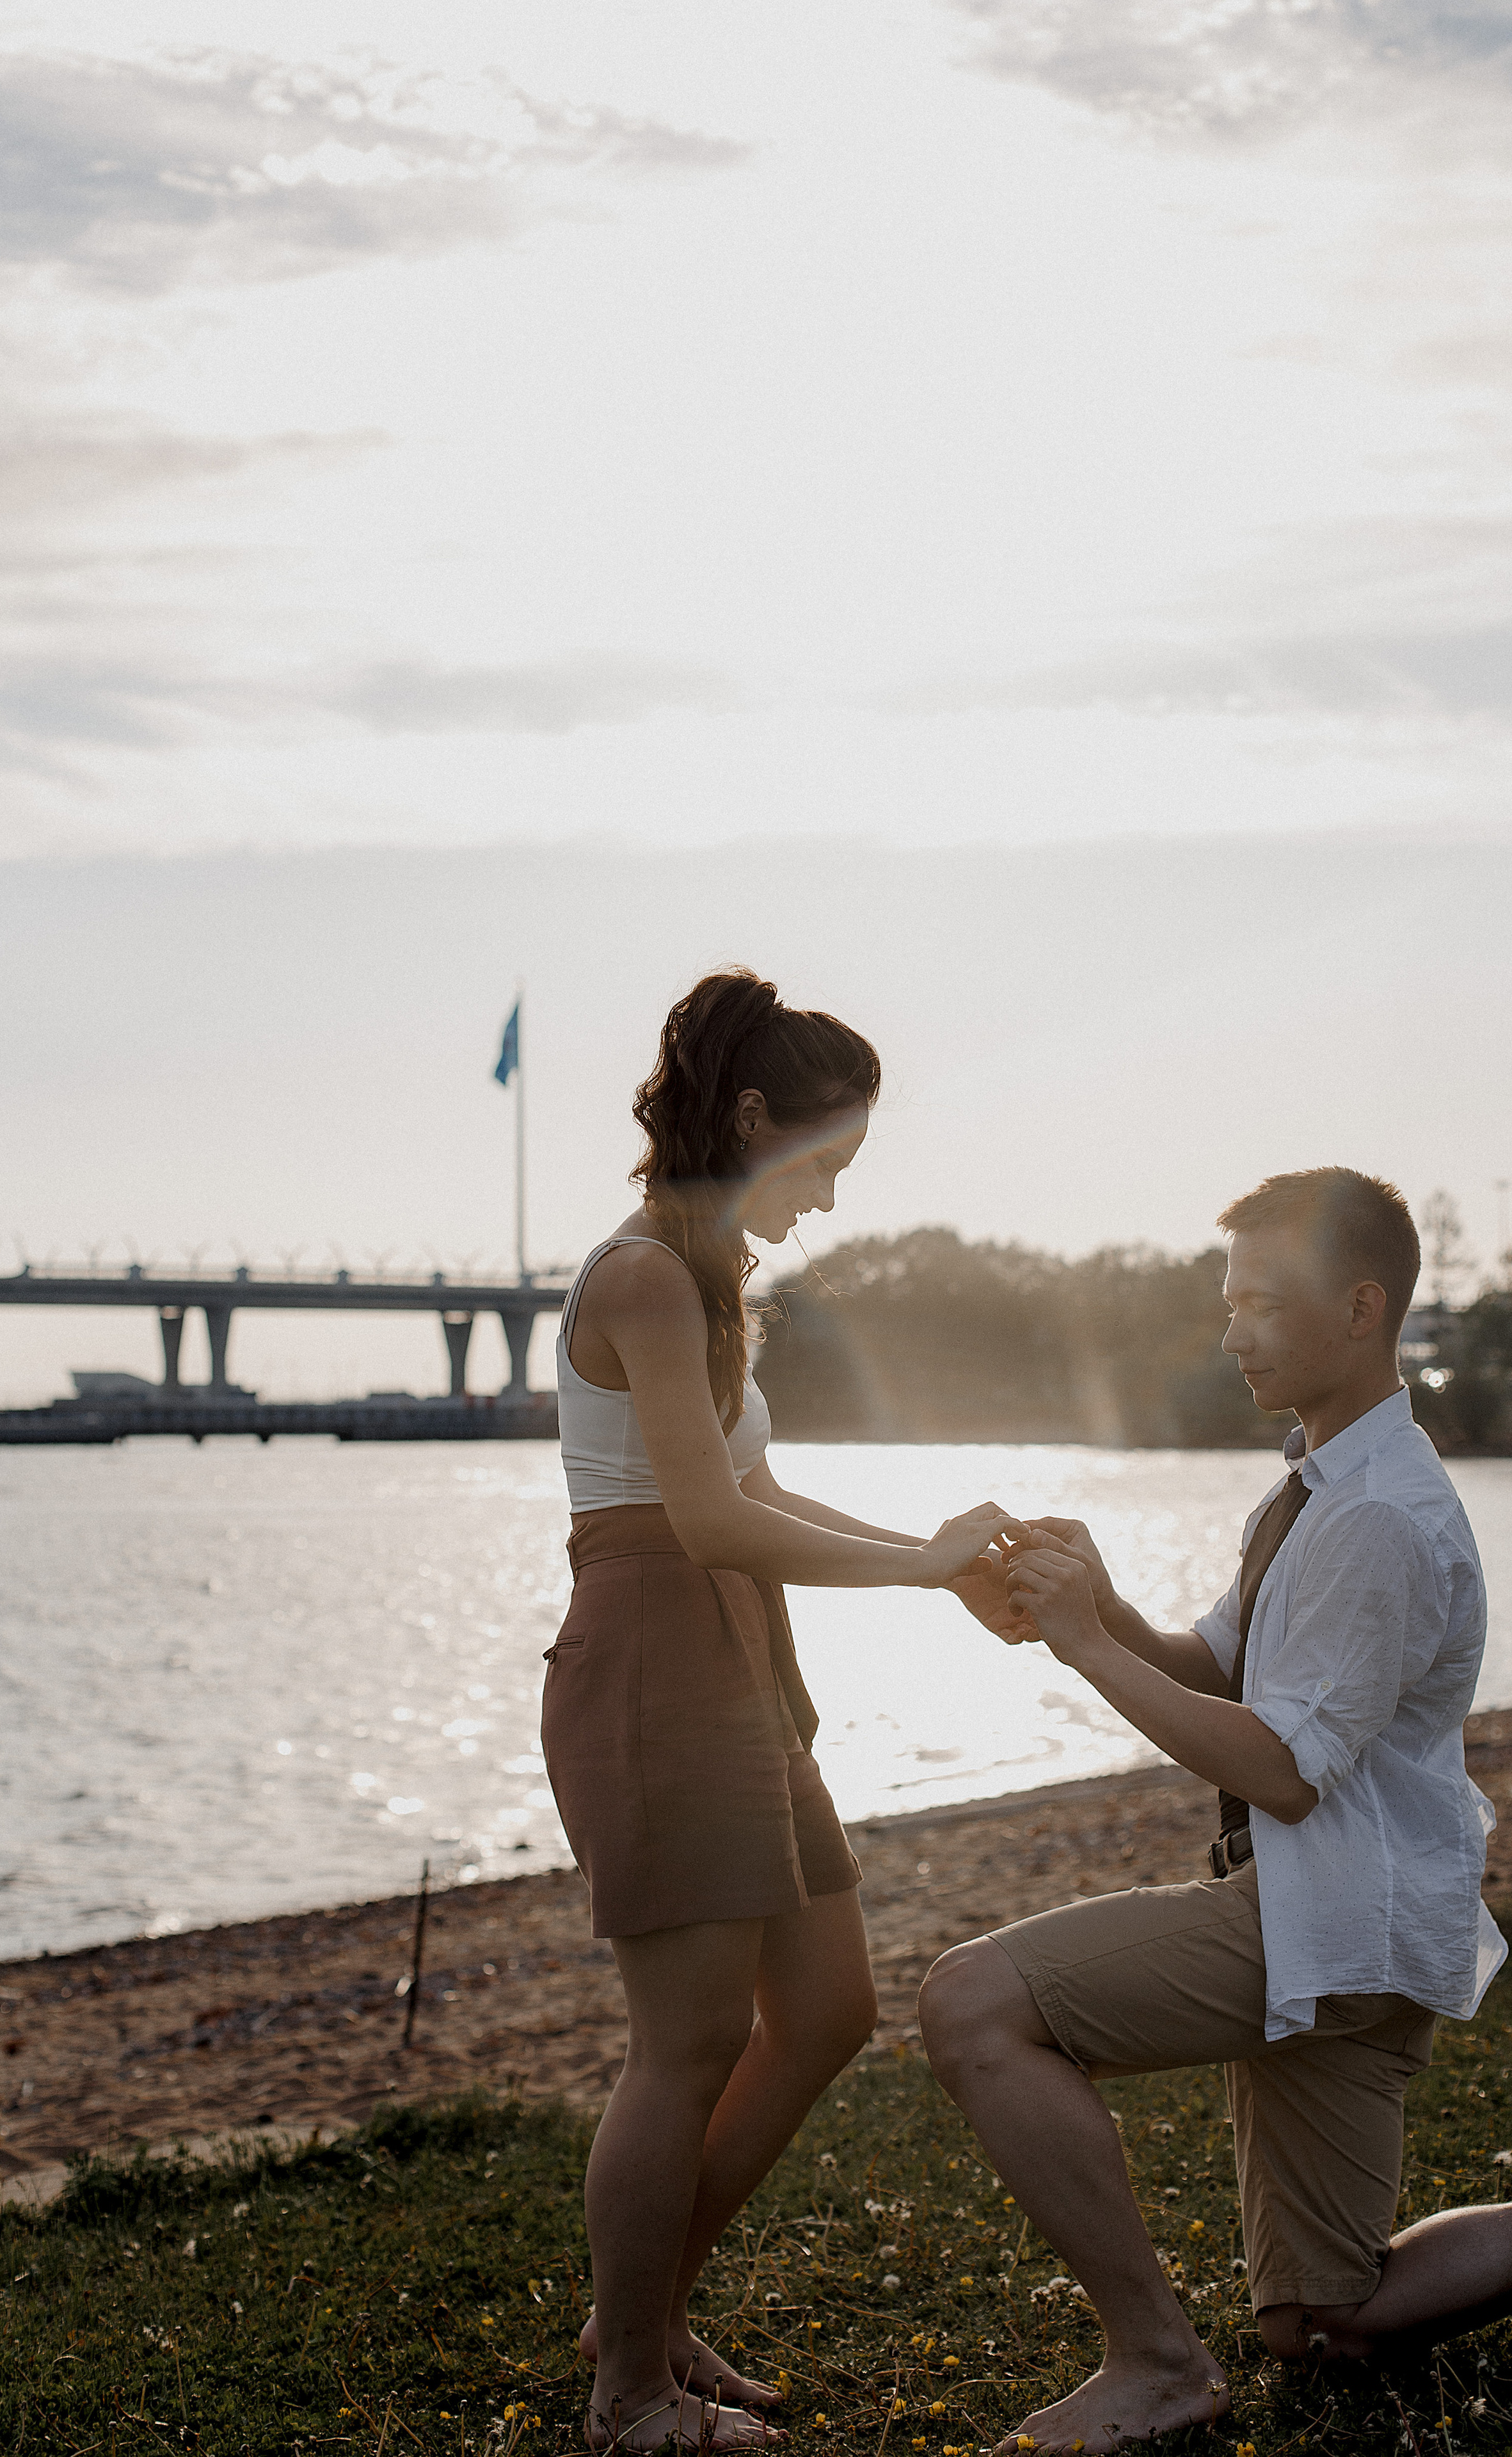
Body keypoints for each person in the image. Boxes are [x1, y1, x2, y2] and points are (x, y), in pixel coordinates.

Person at [923, 1168, 1512, 2456]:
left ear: (1361, 1308)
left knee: (972, 2001)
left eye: (1262, 1303)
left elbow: (1285, 1770)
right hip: (1344, 1924)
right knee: (1327, 2323)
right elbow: (1218, 1670)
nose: (1233, 1332)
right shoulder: (1316, 1485)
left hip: (1334, 1908)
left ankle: (1154, 2364)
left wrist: (1087, 1646)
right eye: (1228, 1304)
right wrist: (1089, 1602)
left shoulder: (1378, 1515)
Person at [543, 967, 1020, 2455]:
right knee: (684, 2042)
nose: (825, 1199)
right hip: (655, 1657)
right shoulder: (640, 1277)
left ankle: (642, 2317)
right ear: (751, 1119)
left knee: (824, 2010)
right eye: (822, 1163)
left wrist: (932, 1565)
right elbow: (701, 1522)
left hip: (741, 1657)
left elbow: (753, 1492)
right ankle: (629, 2392)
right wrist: (920, 1567)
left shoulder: (705, 1281)